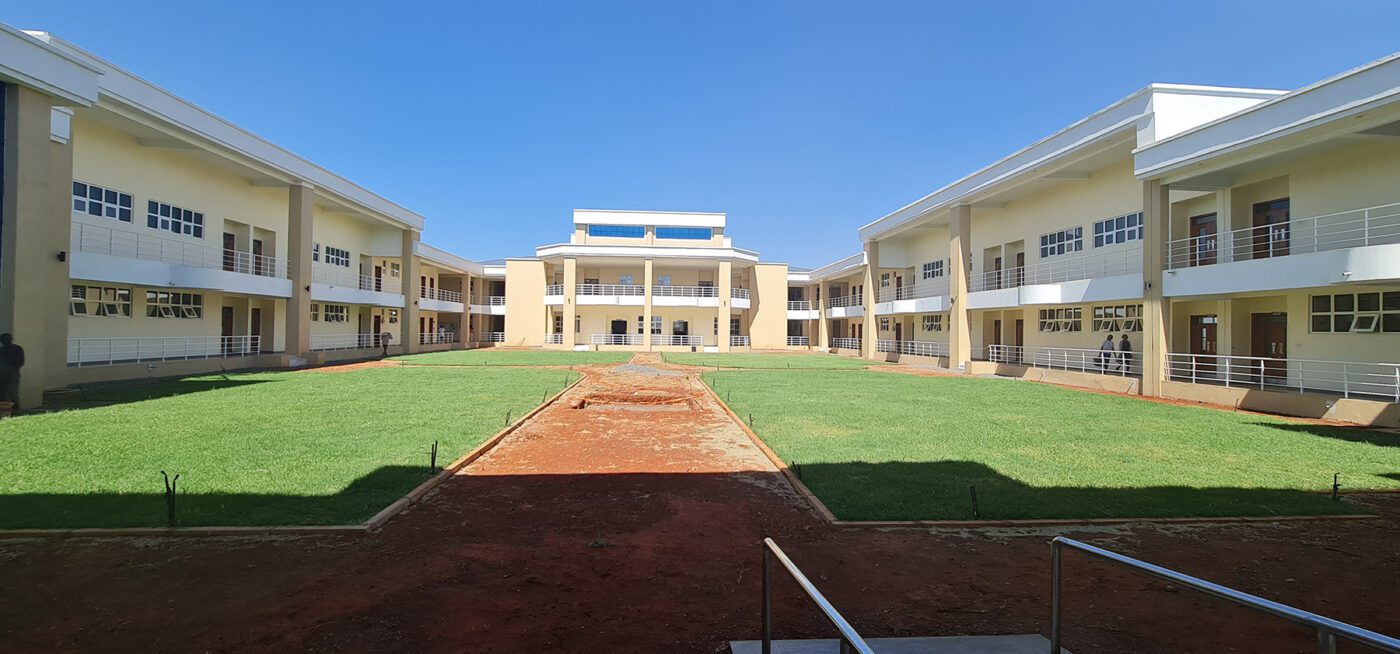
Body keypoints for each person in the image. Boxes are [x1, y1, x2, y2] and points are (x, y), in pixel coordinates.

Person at [0, 333, 24, 411]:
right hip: (4, 373)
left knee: (12, 391)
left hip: (12, 372)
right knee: (4, 391)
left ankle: (15, 408)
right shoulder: (2, 350)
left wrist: (11, 367)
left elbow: (21, 361)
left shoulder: (17, 349)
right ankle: (8, 408)